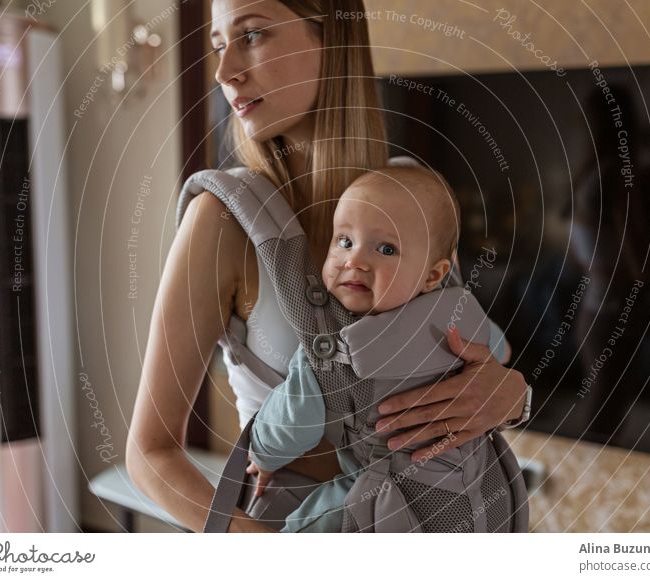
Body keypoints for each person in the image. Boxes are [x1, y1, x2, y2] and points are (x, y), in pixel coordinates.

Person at [126, 0, 529, 533]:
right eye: (220, 45)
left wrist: (513, 395)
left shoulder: (412, 200)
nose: (224, 73)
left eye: (252, 35)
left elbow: (458, 353)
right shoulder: (220, 222)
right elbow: (148, 453)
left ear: (333, 39)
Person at [246, 166, 510, 532]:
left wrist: (261, 455)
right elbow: (500, 351)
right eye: (344, 241)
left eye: (385, 249)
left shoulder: (332, 350)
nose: (354, 261)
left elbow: (292, 426)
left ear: (433, 275)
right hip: (483, 502)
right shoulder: (461, 312)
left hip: (394, 510)